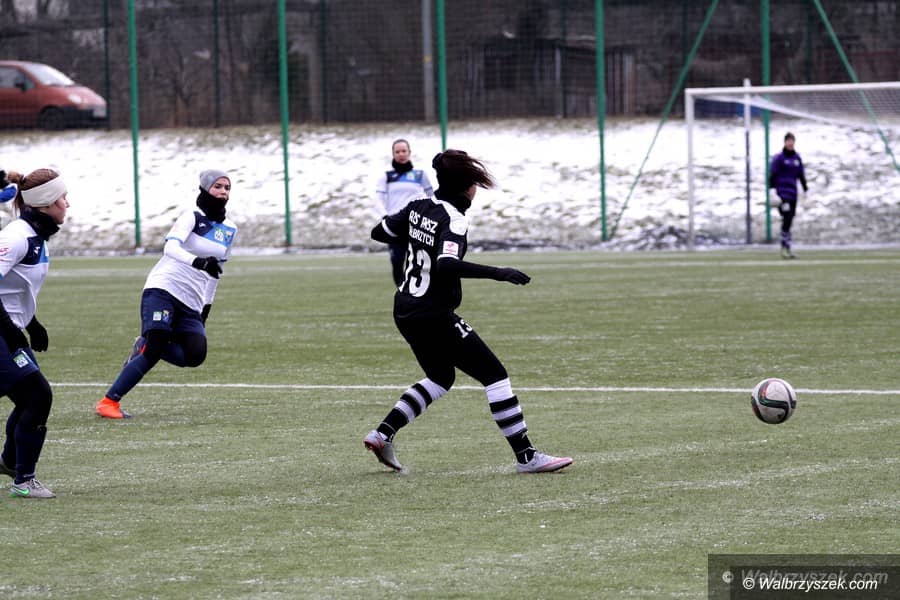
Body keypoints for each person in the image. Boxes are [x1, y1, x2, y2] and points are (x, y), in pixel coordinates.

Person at [363, 149, 572, 474]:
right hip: (433, 313)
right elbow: (446, 265)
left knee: (440, 377)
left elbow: (380, 232)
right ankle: (526, 456)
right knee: (495, 375)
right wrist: (499, 273)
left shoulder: (419, 205)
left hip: (404, 308)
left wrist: (417, 234)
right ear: (466, 187)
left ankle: (382, 434)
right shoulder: (454, 220)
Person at [95, 170, 237, 419]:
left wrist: (206, 308)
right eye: (218, 186)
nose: (223, 191)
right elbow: (170, 248)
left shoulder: (230, 229)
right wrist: (198, 262)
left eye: (227, 187)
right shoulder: (192, 216)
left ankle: (144, 343)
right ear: (205, 189)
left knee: (195, 355)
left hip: (191, 301)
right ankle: (109, 402)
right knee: (156, 346)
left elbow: (215, 273)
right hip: (163, 289)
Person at [0, 168, 71, 498]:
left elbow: (15, 291)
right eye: (62, 198)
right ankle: (24, 481)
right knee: (38, 395)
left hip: (10, 330)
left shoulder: (37, 237)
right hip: (3, 332)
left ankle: (12, 463)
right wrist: (12, 332)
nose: (67, 203)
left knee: (31, 396)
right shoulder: (16, 237)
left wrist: (31, 324)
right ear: (45, 203)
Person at [374, 139, 433, 286]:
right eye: (397, 151)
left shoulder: (420, 174)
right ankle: (401, 290)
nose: (401, 154)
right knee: (397, 260)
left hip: (416, 223)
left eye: (404, 151)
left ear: (409, 152)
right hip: (395, 224)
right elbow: (378, 199)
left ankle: (417, 290)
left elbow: (431, 196)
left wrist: (430, 213)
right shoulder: (386, 176)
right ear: (393, 154)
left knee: (418, 259)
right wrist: (385, 216)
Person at [769, 132, 808, 259]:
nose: (790, 143)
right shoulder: (779, 158)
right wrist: (772, 190)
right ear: (785, 142)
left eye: (792, 141)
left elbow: (801, 175)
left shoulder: (797, 158)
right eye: (788, 141)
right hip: (782, 194)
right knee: (787, 218)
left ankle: (787, 247)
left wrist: (805, 190)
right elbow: (772, 175)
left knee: (789, 220)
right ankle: (785, 247)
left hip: (793, 193)